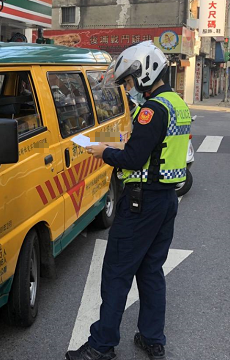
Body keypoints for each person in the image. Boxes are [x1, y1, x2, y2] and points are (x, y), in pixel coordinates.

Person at [65, 41, 190, 360]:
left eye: (131, 81)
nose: (130, 88)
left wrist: (103, 151)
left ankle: (101, 346)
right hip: (165, 201)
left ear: (146, 72)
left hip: (141, 203)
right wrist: (126, 142)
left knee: (117, 274)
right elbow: (158, 148)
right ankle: (152, 338)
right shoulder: (176, 103)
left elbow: (134, 159)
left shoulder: (152, 109)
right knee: (150, 271)